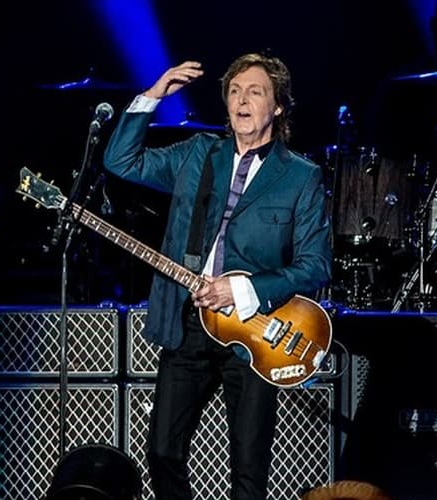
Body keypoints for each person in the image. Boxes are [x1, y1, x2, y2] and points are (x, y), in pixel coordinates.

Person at [102, 52, 332, 499]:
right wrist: (151, 97)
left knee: (248, 470)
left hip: (256, 334)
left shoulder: (301, 176)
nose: (242, 100)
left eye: (255, 91)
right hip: (188, 325)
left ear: (278, 106)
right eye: (234, 91)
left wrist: (243, 288)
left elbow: (315, 265)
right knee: (162, 452)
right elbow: (121, 162)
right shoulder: (198, 154)